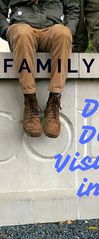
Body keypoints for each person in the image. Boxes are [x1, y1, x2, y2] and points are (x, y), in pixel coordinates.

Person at [0, 0, 80, 138]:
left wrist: (70, 30)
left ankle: (54, 100)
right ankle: (30, 102)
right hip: (22, 26)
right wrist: (6, 31)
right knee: (21, 32)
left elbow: (73, 9)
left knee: (63, 33)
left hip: (52, 27)